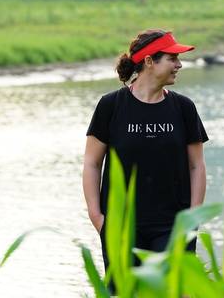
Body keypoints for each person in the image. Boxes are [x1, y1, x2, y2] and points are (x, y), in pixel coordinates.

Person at [82, 29, 208, 280]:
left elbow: (197, 166)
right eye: (172, 58)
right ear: (149, 61)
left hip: (173, 226)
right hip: (121, 225)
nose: (179, 65)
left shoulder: (183, 108)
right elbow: (92, 163)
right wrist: (97, 217)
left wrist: (192, 219)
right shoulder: (111, 106)